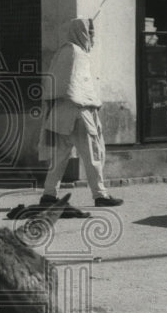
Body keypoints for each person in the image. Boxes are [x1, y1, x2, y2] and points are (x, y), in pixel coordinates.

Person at [38, 18, 123, 208]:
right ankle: (100, 195)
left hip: (60, 114)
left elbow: (57, 85)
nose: (92, 36)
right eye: (90, 32)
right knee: (92, 155)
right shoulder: (77, 53)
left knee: (58, 158)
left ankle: (48, 195)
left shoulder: (63, 52)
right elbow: (76, 87)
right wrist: (89, 105)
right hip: (79, 112)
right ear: (82, 33)